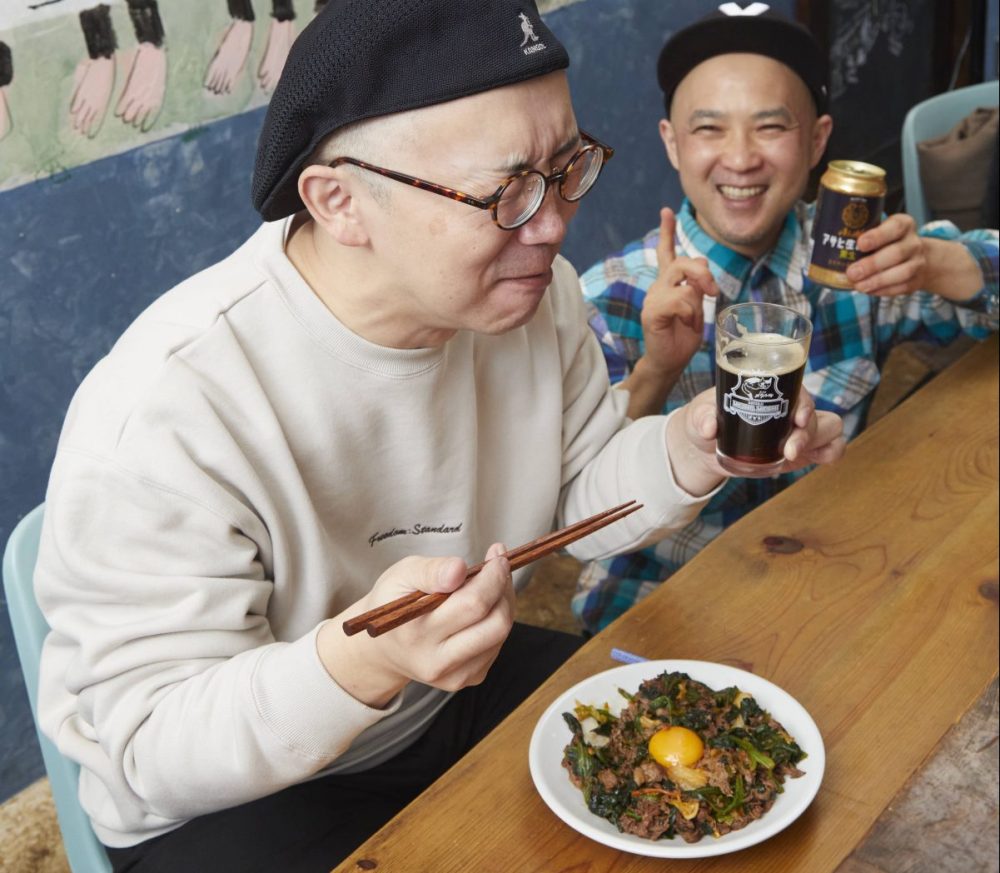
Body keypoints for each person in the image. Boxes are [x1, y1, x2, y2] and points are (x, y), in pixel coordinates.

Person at [33, 2, 844, 870]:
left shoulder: (535, 297)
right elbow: (151, 746)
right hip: (231, 801)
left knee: (696, 786)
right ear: (339, 201)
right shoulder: (172, 405)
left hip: (437, 700)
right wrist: (363, 660)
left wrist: (689, 444)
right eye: (506, 193)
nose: (553, 224)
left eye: (568, 167)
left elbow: (579, 488)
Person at [572, 6, 999, 634]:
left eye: (770, 127)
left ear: (818, 140)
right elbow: (579, 514)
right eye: (710, 129)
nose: (741, 159)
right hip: (658, 601)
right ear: (672, 142)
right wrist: (658, 369)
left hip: (821, 578)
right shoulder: (610, 296)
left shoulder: (860, 264)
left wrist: (934, 262)